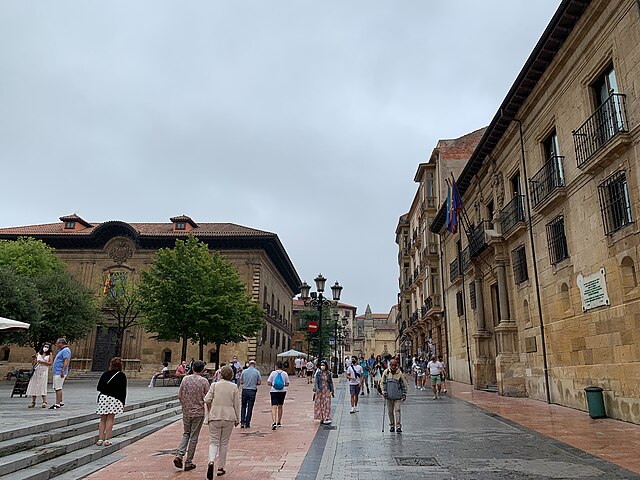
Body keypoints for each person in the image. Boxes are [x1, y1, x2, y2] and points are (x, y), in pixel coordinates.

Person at [204, 366, 240, 479]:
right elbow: (236, 404)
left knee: (213, 441)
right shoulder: (234, 387)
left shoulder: (214, 385)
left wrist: (210, 410)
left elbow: (206, 399)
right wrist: (237, 418)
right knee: (224, 443)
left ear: (221, 374)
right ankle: (220, 468)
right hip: (229, 416)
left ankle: (211, 461)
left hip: (215, 415)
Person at [173, 360, 209, 471]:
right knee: (194, 437)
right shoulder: (204, 381)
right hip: (198, 412)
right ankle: (188, 462)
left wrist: (184, 405)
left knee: (186, 433)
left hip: (186, 411)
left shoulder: (185, 379)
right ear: (202, 369)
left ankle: (179, 455)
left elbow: (180, 395)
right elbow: (208, 397)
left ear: (192, 368)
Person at [96, 357, 127, 446]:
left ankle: (100, 439)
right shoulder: (122, 375)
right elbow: (123, 390)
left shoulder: (105, 374)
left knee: (102, 419)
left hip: (104, 398)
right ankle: (107, 440)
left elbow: (99, 388)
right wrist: (123, 402)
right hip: (115, 399)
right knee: (110, 419)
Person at [380, 359, 408, 433]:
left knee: (397, 410)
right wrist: (383, 391)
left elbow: (404, 384)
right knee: (390, 412)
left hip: (397, 396)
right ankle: (392, 425)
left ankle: (398, 426)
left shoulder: (399, 373)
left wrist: (404, 393)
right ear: (390, 365)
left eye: (395, 365)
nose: (393, 367)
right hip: (388, 396)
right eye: (392, 365)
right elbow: (382, 383)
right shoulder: (386, 372)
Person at [26, 342, 52, 408]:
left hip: (44, 371)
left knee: (42, 384)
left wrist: (43, 362)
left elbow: (50, 363)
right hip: (37, 370)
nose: (46, 348)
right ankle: (33, 402)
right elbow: (34, 363)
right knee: (34, 385)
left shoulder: (50, 354)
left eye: (47, 347)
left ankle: (44, 401)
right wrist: (35, 360)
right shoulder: (38, 353)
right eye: (45, 346)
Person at [267, 361, 290, 430]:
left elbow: (269, 382)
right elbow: (287, 383)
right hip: (282, 391)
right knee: (280, 406)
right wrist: (282, 384)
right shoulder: (285, 373)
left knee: (274, 406)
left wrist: (273, 384)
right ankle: (279, 422)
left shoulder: (273, 373)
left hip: (274, 391)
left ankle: (274, 421)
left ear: (276, 366)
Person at [50, 338, 71, 410]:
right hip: (57, 371)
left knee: (58, 388)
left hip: (60, 372)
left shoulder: (65, 350)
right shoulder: (62, 350)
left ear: (61, 343)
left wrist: (62, 370)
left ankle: (57, 403)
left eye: (57, 343)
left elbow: (66, 360)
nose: (56, 345)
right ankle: (60, 401)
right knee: (57, 387)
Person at [240, 360, 261, 428]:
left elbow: (241, 381)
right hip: (252, 390)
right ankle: (247, 422)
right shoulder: (257, 372)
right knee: (250, 407)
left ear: (248, 364)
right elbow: (259, 382)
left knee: (243, 406)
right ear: (254, 365)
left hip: (245, 390)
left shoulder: (244, 371)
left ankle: (242, 422)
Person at [313, 359, 334, 424]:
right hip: (320, 390)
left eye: (323, 365)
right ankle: (321, 417)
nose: (322, 366)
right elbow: (316, 381)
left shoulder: (328, 373)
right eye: (321, 365)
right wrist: (316, 389)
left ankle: (326, 417)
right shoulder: (318, 373)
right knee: (320, 404)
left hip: (326, 390)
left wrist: (332, 390)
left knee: (327, 404)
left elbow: (330, 382)